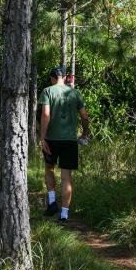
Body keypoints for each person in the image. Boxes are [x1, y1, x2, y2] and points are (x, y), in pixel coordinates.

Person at [39, 67, 90, 222]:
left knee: (49, 168)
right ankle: (64, 215)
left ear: (53, 78)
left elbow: (46, 114)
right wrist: (85, 133)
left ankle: (53, 202)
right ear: (63, 77)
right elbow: (84, 116)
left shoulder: (48, 91)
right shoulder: (74, 93)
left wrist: (43, 137)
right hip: (70, 140)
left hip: (52, 139)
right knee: (66, 177)